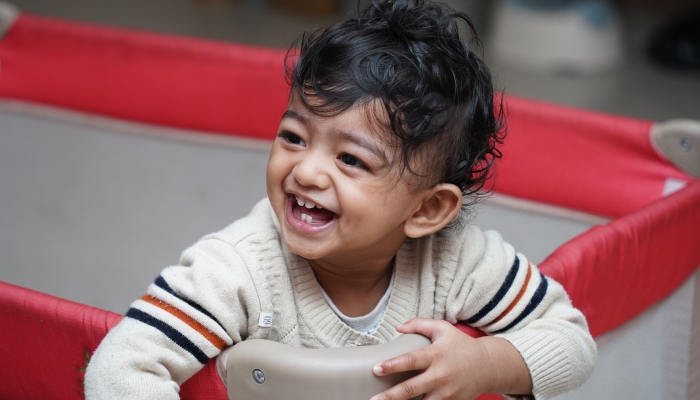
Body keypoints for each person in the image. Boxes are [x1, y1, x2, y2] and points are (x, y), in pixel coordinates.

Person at [85, 0, 596, 399]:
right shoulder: (238, 270)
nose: (305, 170)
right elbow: (122, 366)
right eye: (293, 137)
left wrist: (486, 364)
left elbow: (572, 341)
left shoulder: (460, 262)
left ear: (426, 210)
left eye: (351, 160)